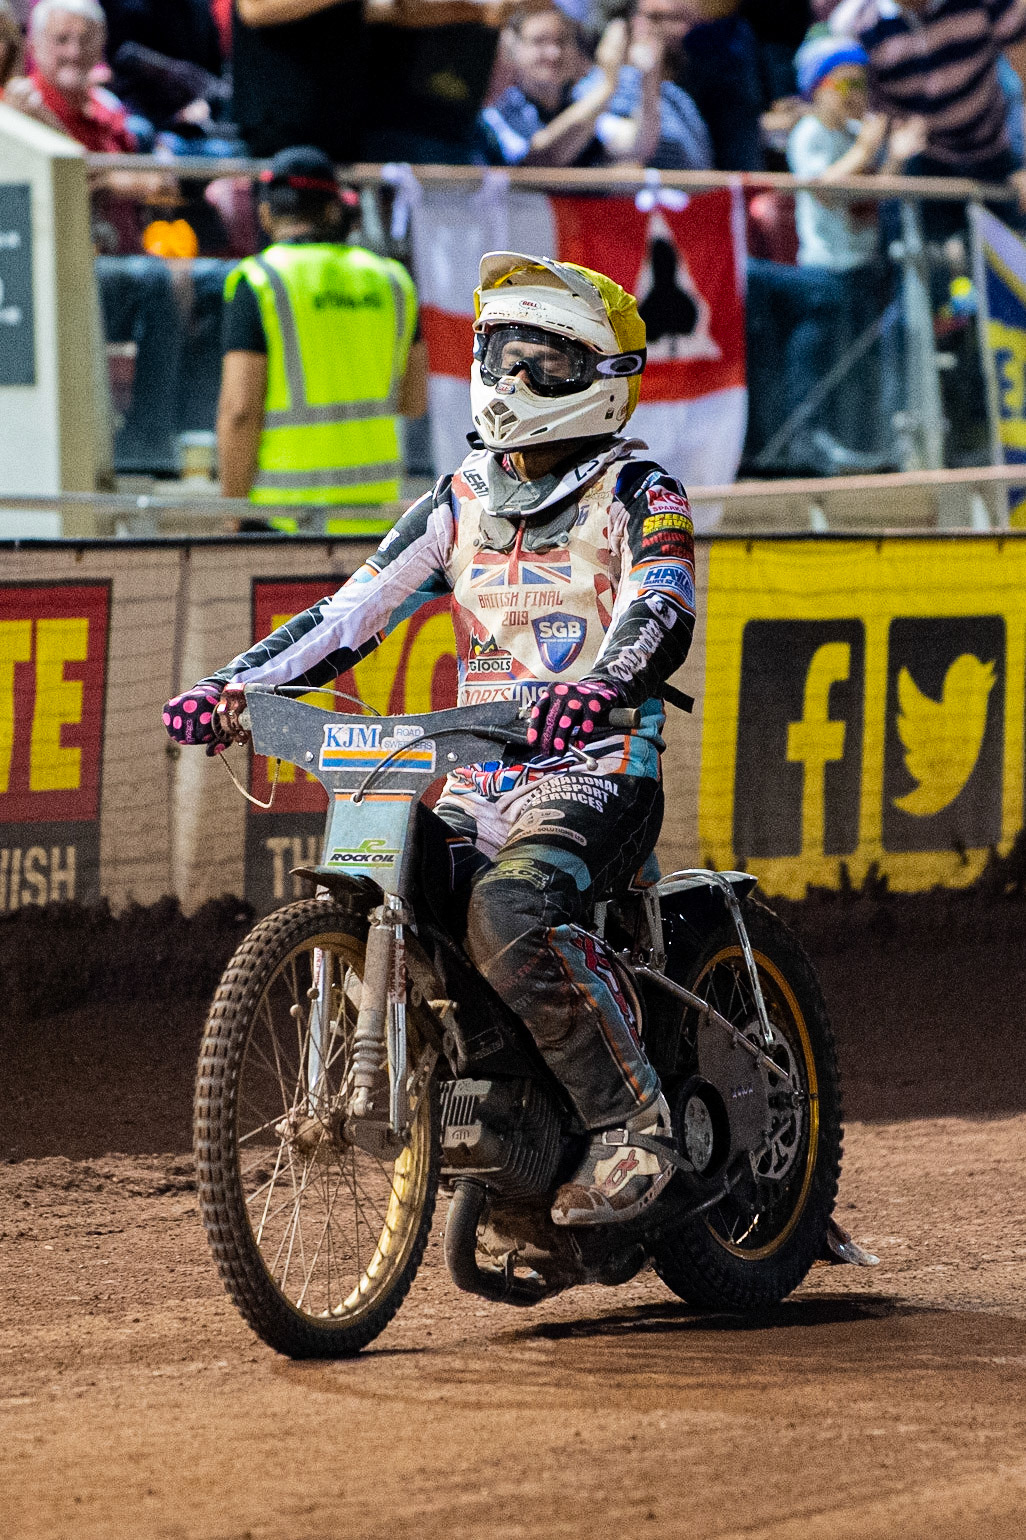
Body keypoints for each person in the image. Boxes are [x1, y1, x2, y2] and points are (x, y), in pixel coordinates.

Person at [164, 251, 698, 1226]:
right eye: (502, 354)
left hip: (597, 763)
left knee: (507, 907)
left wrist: (602, 685)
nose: (514, 380)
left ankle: (636, 1120)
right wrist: (231, 688)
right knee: (400, 881)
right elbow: (348, 614)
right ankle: (500, 1109)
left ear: (604, 381)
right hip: (479, 772)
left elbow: (661, 604)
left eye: (546, 362)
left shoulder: (640, 491)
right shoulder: (462, 497)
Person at [217, 146, 426, 526]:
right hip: (376, 518)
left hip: (282, 519)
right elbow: (413, 402)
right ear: (333, 210)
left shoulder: (259, 280)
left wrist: (233, 513)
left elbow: (240, 410)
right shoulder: (393, 280)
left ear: (265, 214)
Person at [829, 0, 1026, 234]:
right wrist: (879, 159)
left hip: (997, 152)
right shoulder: (860, 25)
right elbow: (870, 117)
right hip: (925, 163)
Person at [631, 0, 766, 170]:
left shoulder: (717, 69)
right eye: (653, 17)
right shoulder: (619, 84)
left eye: (674, 18)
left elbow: (739, 161)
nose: (656, 29)